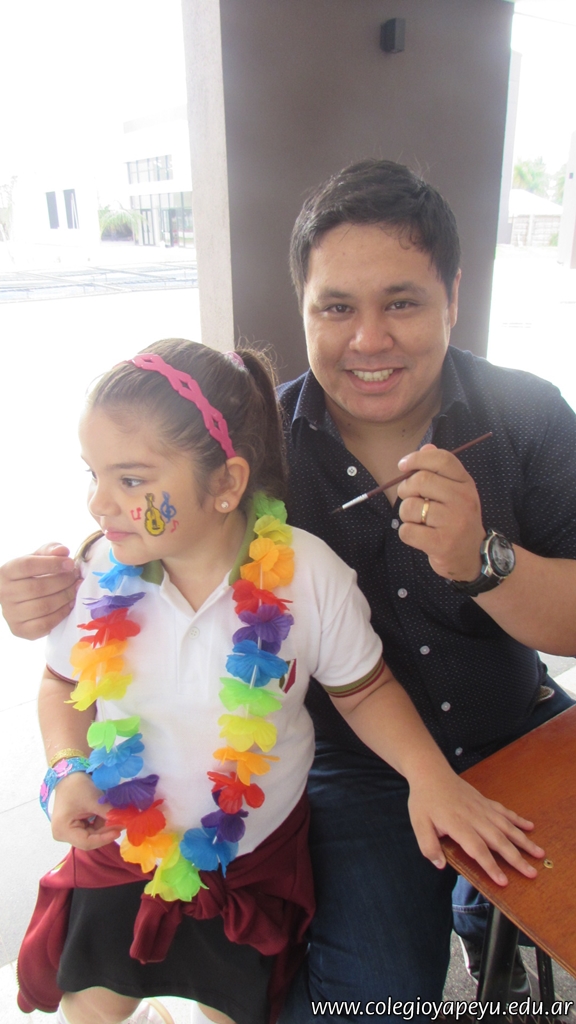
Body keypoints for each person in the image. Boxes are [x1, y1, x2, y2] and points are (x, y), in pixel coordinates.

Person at [2, 161, 576, 1021]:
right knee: (369, 1005)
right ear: (302, 307)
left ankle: (474, 912)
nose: (369, 339)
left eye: (403, 302)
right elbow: (165, 515)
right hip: (354, 757)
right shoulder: (258, 442)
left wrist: (483, 559)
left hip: (515, 722)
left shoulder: (526, 416)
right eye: (336, 307)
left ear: (453, 296)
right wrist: (61, 576)